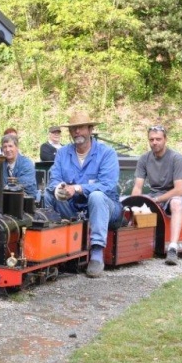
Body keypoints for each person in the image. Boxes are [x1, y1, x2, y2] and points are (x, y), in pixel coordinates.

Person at [43, 111, 122, 278]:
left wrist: (78, 188)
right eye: (73, 129)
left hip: (107, 209)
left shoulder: (107, 153)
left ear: (91, 129)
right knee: (48, 195)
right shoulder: (63, 153)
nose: (77, 132)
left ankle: (97, 254)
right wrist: (59, 189)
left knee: (97, 196)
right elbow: (54, 178)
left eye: (81, 128)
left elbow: (107, 185)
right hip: (73, 208)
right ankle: (54, 246)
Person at [130, 125, 182, 266]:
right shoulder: (144, 159)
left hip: (176, 198)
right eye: (151, 139)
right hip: (155, 195)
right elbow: (137, 187)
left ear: (165, 140)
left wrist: (155, 200)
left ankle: (172, 249)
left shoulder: (176, 158)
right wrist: (133, 204)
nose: (154, 142)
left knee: (176, 202)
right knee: (134, 203)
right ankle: (139, 247)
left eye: (158, 139)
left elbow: (179, 190)